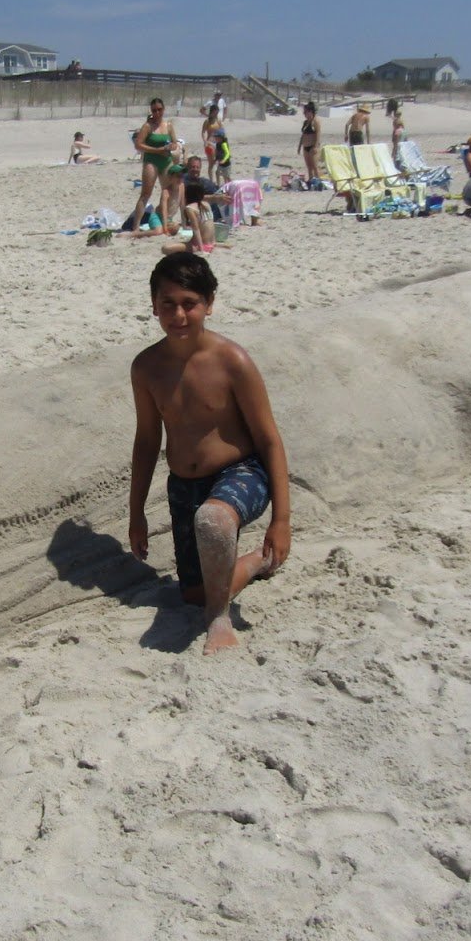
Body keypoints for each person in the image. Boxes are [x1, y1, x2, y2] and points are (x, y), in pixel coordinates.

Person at [129, 253, 291, 654]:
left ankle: (219, 622)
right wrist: (136, 514)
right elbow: (147, 440)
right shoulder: (146, 367)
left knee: (214, 520)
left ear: (209, 304)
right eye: (168, 303)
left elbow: (269, 438)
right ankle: (254, 562)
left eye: (190, 303)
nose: (179, 314)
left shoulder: (232, 361)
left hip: (242, 473)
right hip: (184, 484)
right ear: (153, 306)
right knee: (196, 592)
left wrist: (282, 519)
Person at [127, 98, 180, 233]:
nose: (157, 112)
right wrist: (157, 150)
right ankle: (136, 226)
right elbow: (138, 144)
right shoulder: (147, 126)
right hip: (152, 161)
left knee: (170, 190)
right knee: (146, 194)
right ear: (151, 111)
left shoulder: (168, 125)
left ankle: (164, 218)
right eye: (154, 110)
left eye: (159, 109)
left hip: (166, 160)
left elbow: (175, 142)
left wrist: (172, 146)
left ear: (163, 109)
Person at [299, 102, 322, 185]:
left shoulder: (315, 121)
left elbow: (318, 134)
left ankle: (319, 182)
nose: (304, 114)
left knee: (315, 166)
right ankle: (311, 181)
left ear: (310, 112)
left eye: (305, 112)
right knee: (309, 167)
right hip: (305, 146)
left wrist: (315, 146)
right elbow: (303, 135)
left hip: (313, 146)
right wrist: (299, 147)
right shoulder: (306, 122)